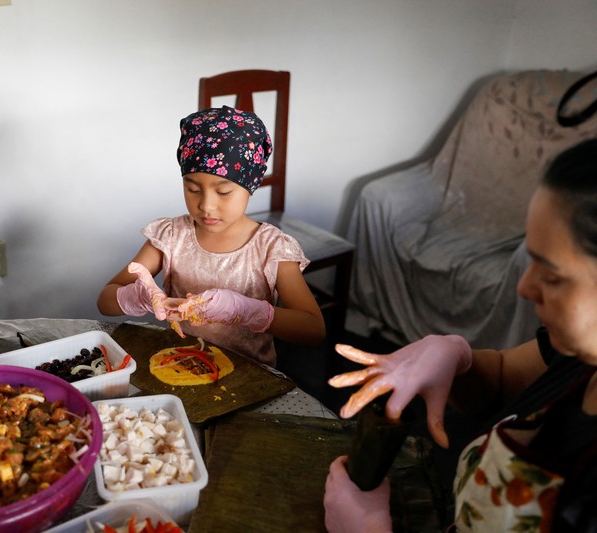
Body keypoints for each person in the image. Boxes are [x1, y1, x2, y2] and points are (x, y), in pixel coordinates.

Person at [323, 138, 597, 532]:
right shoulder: (576, 353)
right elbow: (505, 377)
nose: (524, 288)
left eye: (552, 276)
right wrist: (457, 358)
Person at [97, 105, 324, 366]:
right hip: (179, 365)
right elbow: (105, 300)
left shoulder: (272, 248)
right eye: (192, 189)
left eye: (224, 192)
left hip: (251, 375)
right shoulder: (171, 236)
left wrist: (245, 310)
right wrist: (139, 296)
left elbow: (313, 331)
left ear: (250, 186)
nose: (206, 206)